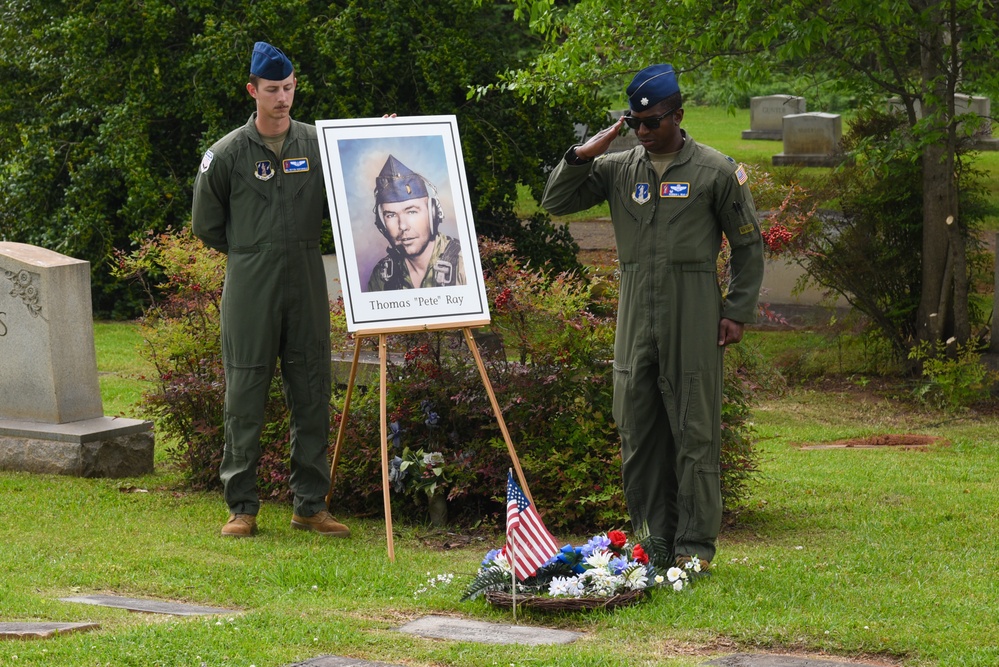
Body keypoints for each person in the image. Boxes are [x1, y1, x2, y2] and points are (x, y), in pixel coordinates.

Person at [541, 64, 764, 567]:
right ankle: (650, 541)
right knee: (637, 429)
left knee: (695, 429)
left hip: (694, 308)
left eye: (653, 122)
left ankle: (693, 547)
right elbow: (555, 201)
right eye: (635, 123)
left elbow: (749, 246)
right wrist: (581, 155)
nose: (643, 132)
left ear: (678, 116)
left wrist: (737, 310)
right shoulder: (620, 168)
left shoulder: (716, 171)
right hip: (636, 308)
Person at [192, 41, 349, 538]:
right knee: (245, 391)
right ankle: (242, 507)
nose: (282, 98)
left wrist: (381, 135)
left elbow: (358, 184)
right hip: (249, 281)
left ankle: (310, 505)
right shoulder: (226, 154)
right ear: (252, 91)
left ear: (294, 85)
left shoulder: (318, 145)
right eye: (271, 90)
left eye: (287, 88)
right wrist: (252, 250)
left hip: (305, 275)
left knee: (311, 390)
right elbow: (206, 225)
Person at [366, 154, 465, 291]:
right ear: (382, 225)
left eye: (411, 212)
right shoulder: (382, 277)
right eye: (391, 215)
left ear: (432, 214)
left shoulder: (464, 265)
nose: (403, 226)